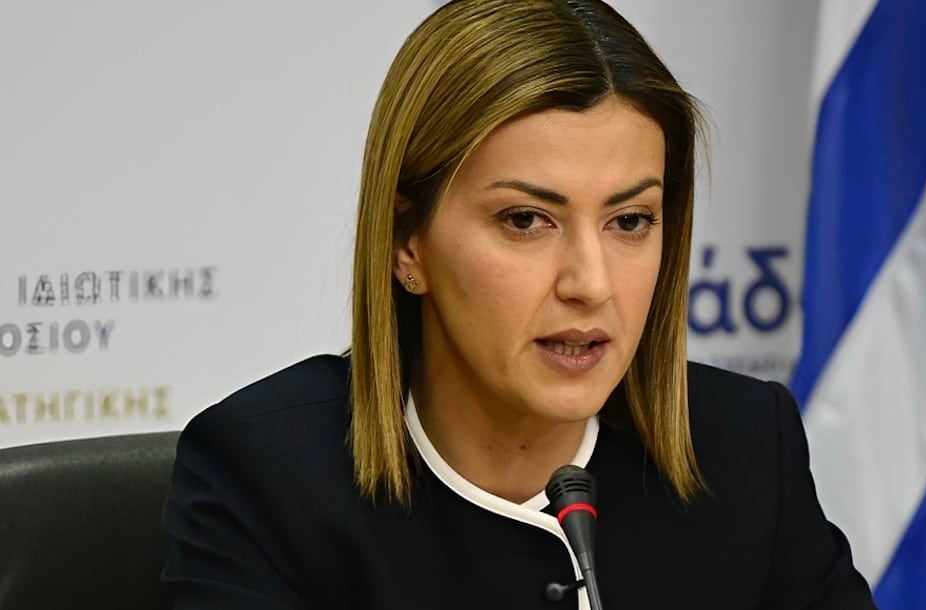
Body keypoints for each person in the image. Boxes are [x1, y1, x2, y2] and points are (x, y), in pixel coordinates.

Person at [161, 0, 877, 608]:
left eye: (630, 221)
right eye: (527, 220)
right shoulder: (267, 476)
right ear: (407, 242)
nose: (590, 283)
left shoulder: (745, 448)